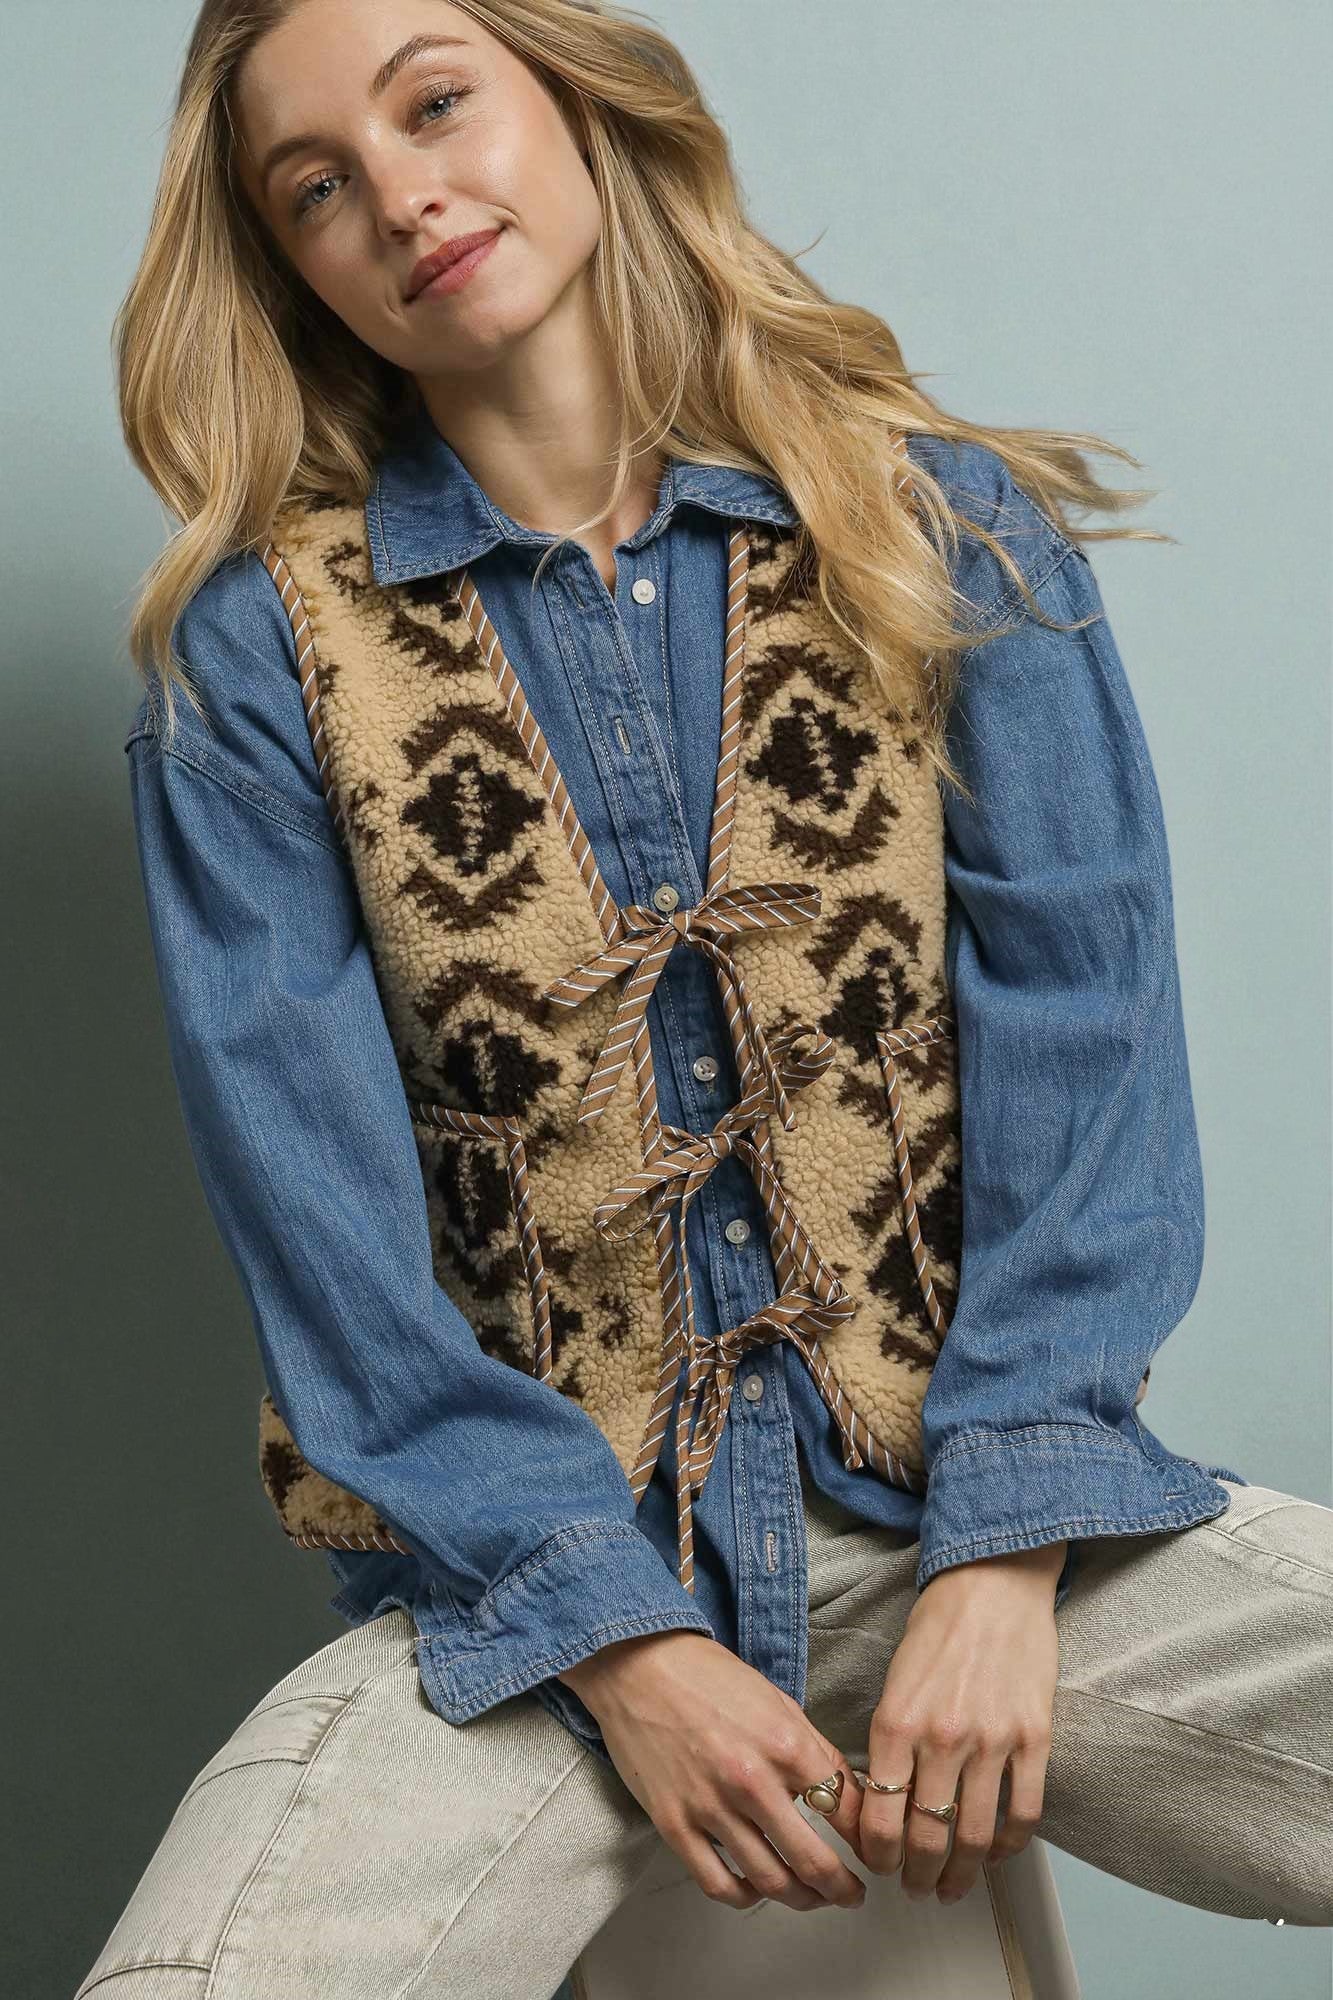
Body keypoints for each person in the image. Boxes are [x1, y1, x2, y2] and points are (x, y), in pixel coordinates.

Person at [80, 1, 1332, 1993]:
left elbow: (1084, 1059)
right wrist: (626, 1647)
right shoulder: (261, 657)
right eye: (314, 187)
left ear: (579, 102)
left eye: (435, 103)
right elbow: (325, 1245)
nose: (399, 196)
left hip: (975, 1521)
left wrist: (1006, 1553)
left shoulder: (937, 529)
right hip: (539, 1604)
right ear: (290, 265)